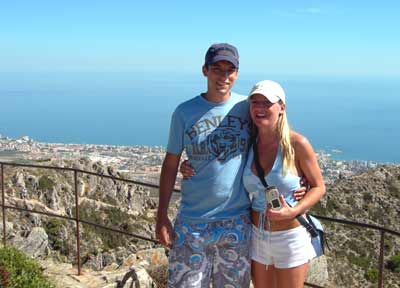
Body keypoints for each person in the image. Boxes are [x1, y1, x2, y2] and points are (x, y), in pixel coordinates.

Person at [155, 43, 253, 287]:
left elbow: (277, 137)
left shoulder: (248, 108)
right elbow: (170, 163)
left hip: (236, 220)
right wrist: (161, 216)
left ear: (237, 73)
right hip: (193, 222)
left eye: (229, 70)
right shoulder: (184, 112)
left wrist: (301, 177)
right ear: (205, 70)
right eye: (216, 68)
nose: (223, 76)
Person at [244, 80, 325, 288]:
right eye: (255, 102)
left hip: (290, 237)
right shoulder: (247, 144)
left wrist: (294, 210)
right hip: (256, 235)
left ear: (281, 108)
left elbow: (318, 186)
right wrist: (188, 166)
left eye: (267, 103)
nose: (260, 108)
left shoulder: (297, 144)